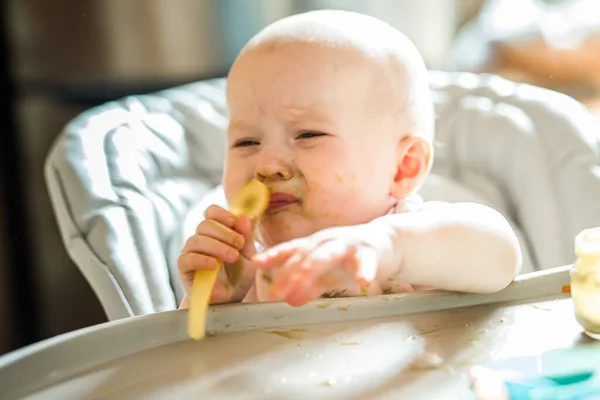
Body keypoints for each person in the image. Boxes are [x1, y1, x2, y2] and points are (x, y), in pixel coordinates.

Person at [177, 10, 522, 308]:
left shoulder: (416, 240)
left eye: (307, 135)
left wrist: (389, 248)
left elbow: (501, 256)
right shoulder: (248, 271)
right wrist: (214, 304)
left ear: (404, 167)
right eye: (246, 141)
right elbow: (194, 371)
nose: (267, 166)